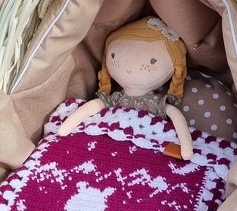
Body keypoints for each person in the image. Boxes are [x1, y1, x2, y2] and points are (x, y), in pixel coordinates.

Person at [58, 16, 193, 159]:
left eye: (152, 61)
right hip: (109, 145)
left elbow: (176, 116)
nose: (129, 68)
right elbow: (94, 105)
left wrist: (186, 148)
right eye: (113, 55)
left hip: (145, 148)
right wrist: (67, 126)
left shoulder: (156, 103)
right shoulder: (115, 98)